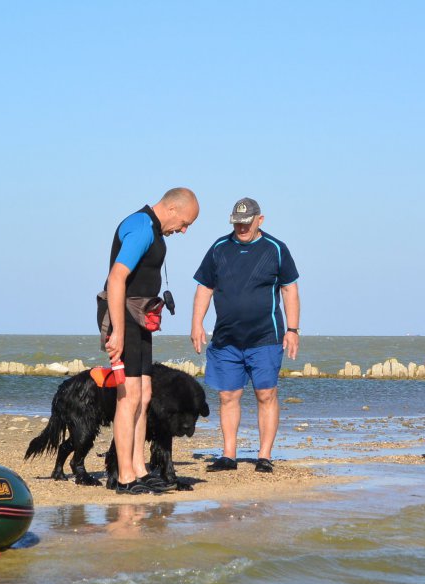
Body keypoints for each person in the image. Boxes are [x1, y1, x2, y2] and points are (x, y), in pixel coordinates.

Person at [191, 197, 300, 474]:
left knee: (266, 394)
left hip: (265, 337)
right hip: (227, 339)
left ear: (259, 220)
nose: (241, 228)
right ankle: (229, 455)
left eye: (246, 223)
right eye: (237, 223)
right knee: (228, 396)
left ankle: (264, 456)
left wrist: (292, 330)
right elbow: (205, 287)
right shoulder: (219, 248)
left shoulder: (276, 249)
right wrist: (197, 324)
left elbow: (289, 289)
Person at [102, 187, 200, 494]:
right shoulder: (141, 226)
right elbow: (117, 277)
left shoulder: (155, 231)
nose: (183, 230)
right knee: (128, 396)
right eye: (184, 223)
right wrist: (117, 330)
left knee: (143, 394)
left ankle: (140, 469)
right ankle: (124, 476)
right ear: (171, 209)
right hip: (124, 318)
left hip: (140, 317)